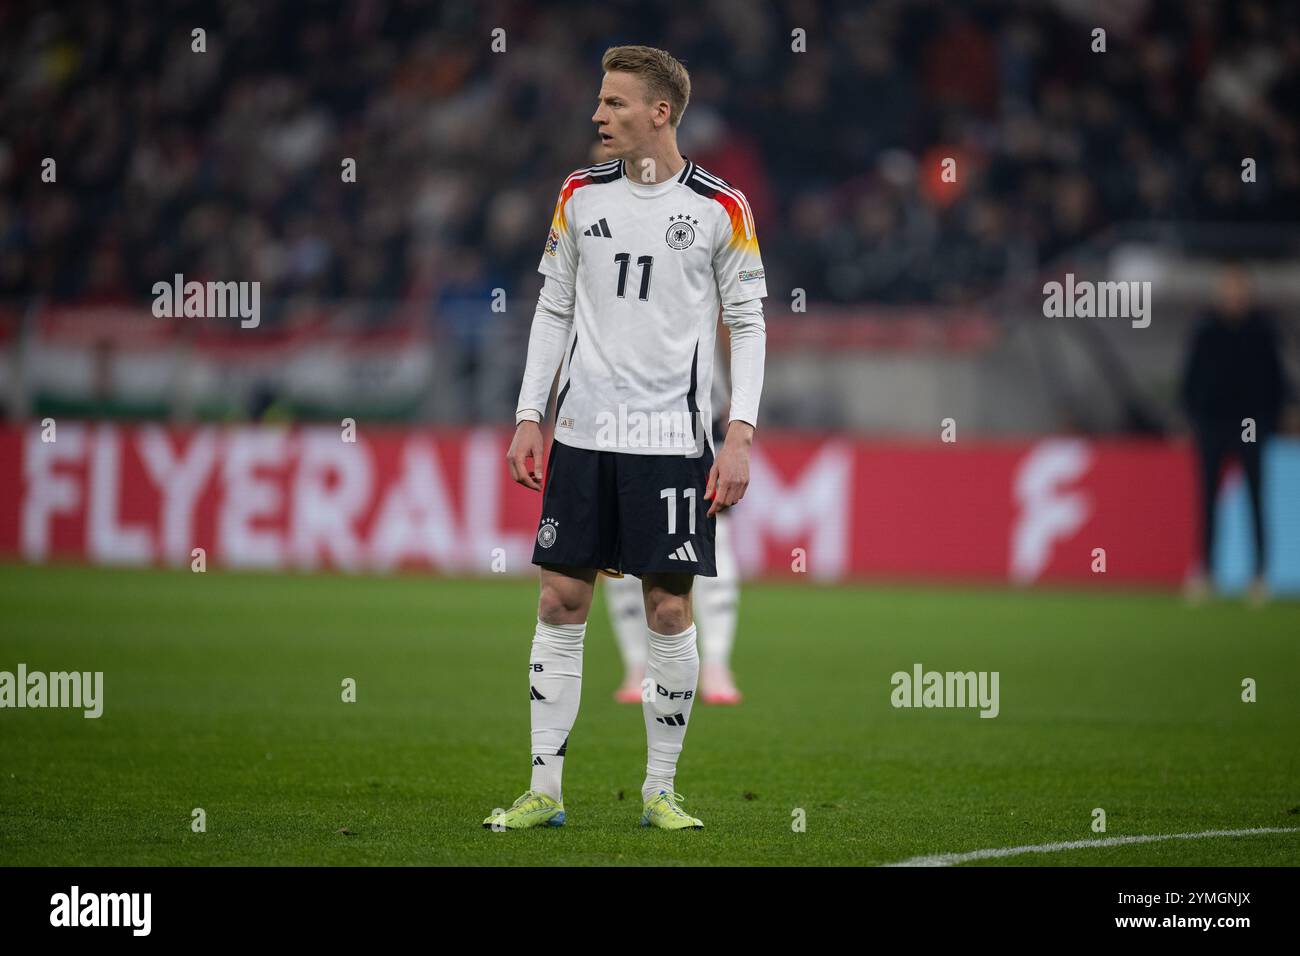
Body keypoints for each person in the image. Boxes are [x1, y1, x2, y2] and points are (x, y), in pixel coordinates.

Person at [485, 45, 767, 831]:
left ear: (660, 113)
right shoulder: (578, 195)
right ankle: (544, 790)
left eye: (613, 104)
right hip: (581, 434)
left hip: (674, 439)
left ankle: (660, 791)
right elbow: (552, 310)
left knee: (670, 610)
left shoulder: (721, 208)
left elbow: (748, 322)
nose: (598, 116)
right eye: (599, 102)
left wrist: (738, 432)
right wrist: (527, 414)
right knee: (560, 598)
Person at [608, 331, 744, 705]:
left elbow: (732, 317)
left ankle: (716, 663)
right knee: (624, 534)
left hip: (695, 405)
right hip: (619, 406)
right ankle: (638, 665)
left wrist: (738, 393)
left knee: (715, 529)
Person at [1180, 264, 1288, 604]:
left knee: (1255, 496)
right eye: (1229, 289)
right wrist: (1193, 416)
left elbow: (1276, 380)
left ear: (1249, 294)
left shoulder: (1262, 330)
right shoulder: (1205, 329)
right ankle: (1205, 572)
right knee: (1207, 499)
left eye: (1239, 289)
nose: (1234, 296)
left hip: (1250, 422)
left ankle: (1259, 574)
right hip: (1213, 423)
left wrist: (1270, 417)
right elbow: (1192, 378)